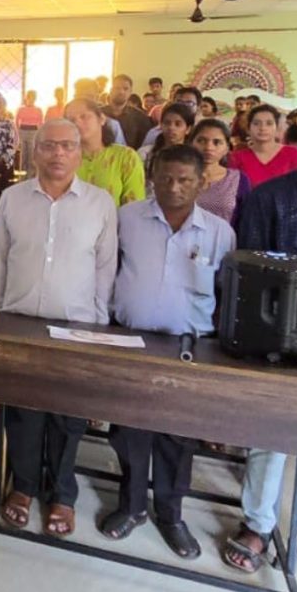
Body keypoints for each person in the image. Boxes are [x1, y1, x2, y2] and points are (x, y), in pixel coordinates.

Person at [102, 144, 236, 558]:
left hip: (188, 346)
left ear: (201, 183)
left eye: (184, 180)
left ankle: (170, 513)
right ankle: (131, 505)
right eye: (165, 178)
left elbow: (224, 294)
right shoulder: (127, 219)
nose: (174, 187)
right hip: (133, 339)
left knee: (177, 437)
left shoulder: (219, 232)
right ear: (151, 178)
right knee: (129, 430)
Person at [0, 119, 118, 538]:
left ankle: (62, 492)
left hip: (76, 325)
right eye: (48, 146)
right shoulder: (12, 199)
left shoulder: (100, 204)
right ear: (35, 151)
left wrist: (98, 326)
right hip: (20, 321)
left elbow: (105, 269)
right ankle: (23, 487)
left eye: (67, 146)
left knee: (67, 416)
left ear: (80, 153)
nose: (58, 154)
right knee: (23, 412)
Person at [222, 163, 297, 574]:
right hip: (283, 340)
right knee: (271, 436)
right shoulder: (271, 197)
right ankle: (258, 524)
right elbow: (250, 276)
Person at [65, 97, 145, 206]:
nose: (77, 123)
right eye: (71, 120)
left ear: (101, 119)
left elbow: (134, 209)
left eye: (84, 116)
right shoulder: (62, 159)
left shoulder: (126, 157)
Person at [190, 118, 251, 226]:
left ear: (227, 148)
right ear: (191, 143)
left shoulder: (238, 179)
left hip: (224, 241)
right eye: (201, 141)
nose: (209, 147)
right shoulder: (180, 176)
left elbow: (246, 221)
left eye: (217, 142)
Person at [228, 104, 297, 187]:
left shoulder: (292, 153)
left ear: (277, 127)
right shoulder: (237, 157)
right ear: (248, 128)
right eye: (256, 123)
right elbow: (232, 192)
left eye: (269, 123)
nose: (262, 128)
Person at [139, 101, 195, 176]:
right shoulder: (145, 154)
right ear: (161, 125)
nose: (171, 128)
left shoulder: (194, 157)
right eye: (167, 123)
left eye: (178, 124)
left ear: (188, 129)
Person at [102, 74, 152, 150]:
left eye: (125, 89)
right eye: (117, 88)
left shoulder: (140, 117)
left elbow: (144, 146)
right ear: (110, 90)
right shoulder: (97, 114)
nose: (121, 92)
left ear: (130, 92)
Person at [15, 90, 44, 176]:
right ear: (26, 98)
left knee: (31, 154)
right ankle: (22, 173)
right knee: (22, 154)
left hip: (33, 132)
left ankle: (31, 174)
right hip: (23, 131)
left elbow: (41, 123)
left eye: (33, 97)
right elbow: (16, 121)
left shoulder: (38, 110)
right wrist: (18, 133)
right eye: (29, 97)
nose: (31, 99)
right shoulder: (21, 109)